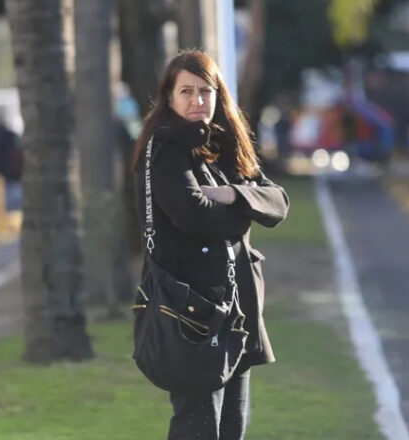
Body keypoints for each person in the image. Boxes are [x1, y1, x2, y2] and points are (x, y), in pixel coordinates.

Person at [132, 49, 289, 440]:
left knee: (232, 428)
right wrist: (243, 206)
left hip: (236, 308)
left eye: (206, 91)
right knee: (198, 428)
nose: (197, 101)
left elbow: (278, 202)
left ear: (219, 95)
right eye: (186, 91)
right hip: (192, 316)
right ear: (169, 97)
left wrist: (233, 195)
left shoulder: (225, 144)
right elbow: (196, 216)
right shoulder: (166, 149)